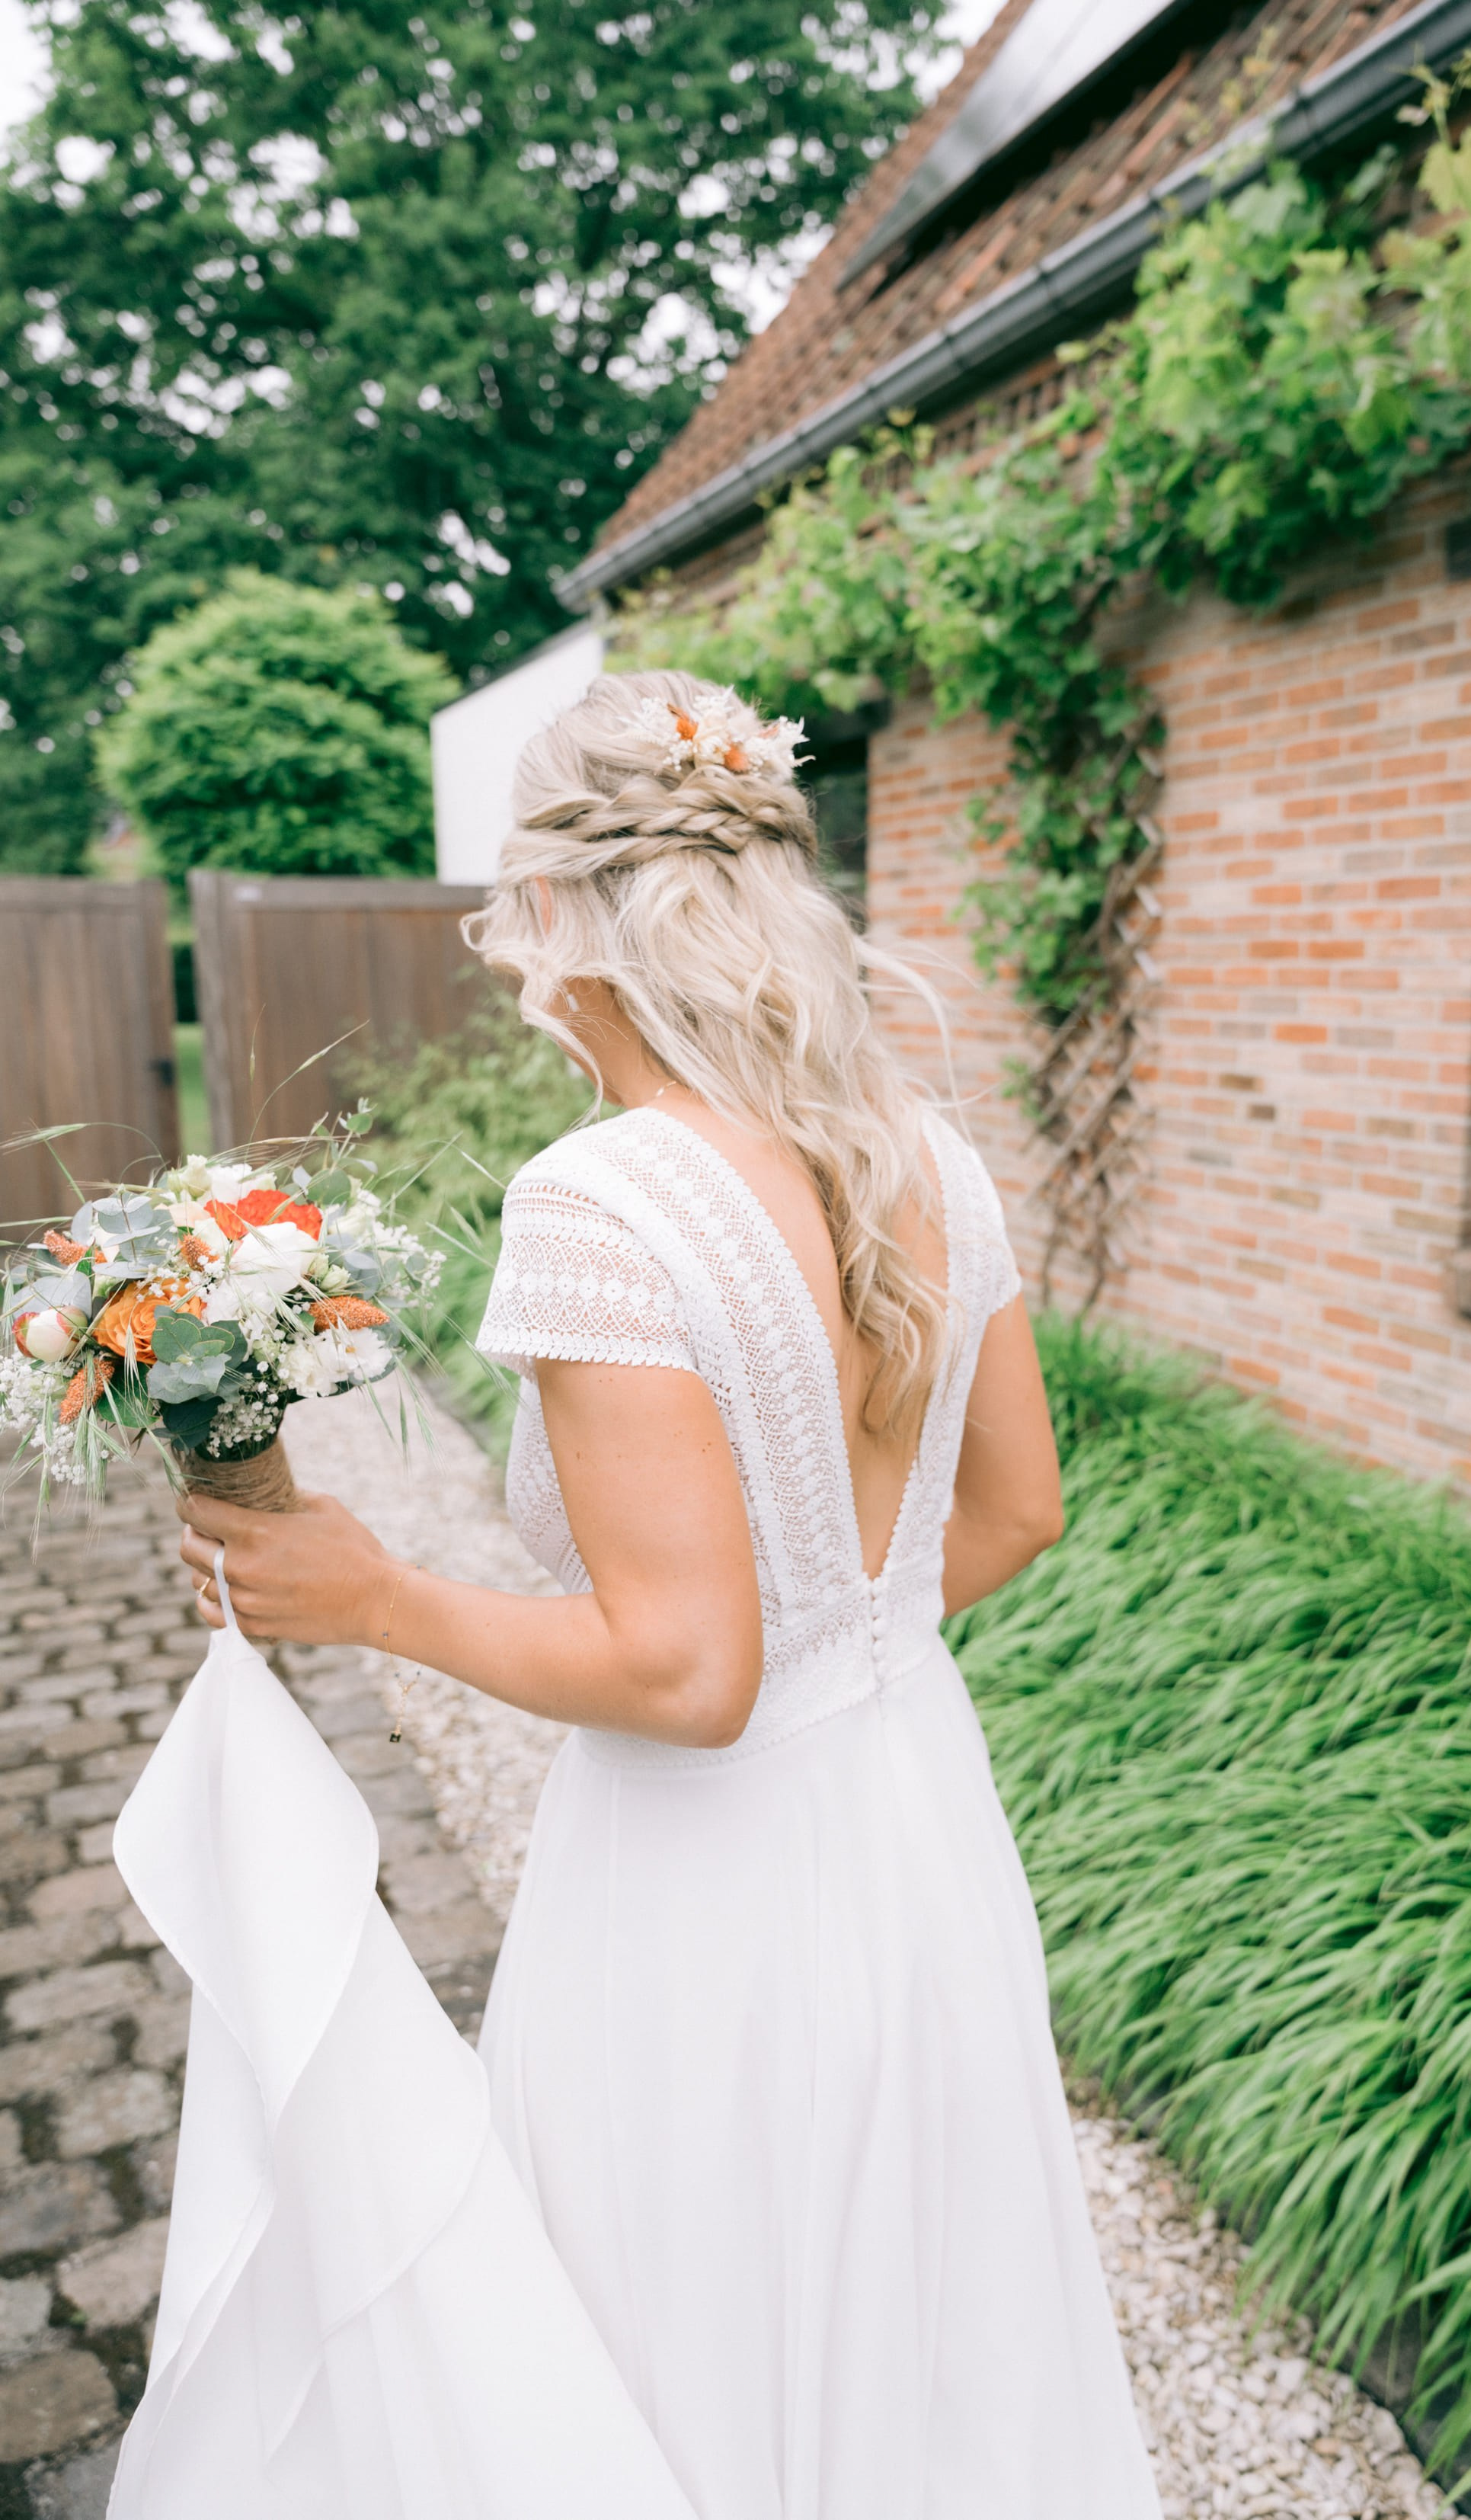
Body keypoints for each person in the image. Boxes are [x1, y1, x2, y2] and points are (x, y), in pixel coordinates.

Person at [177, 671, 1162, 2520]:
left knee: (679, 2358)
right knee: (923, 2343)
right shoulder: (925, 1156)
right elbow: (1015, 1512)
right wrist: (841, 1649)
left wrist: (368, 1588)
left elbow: (684, 1670)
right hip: (916, 1828)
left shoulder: (603, 1199)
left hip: (706, 1899)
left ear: (555, 915)